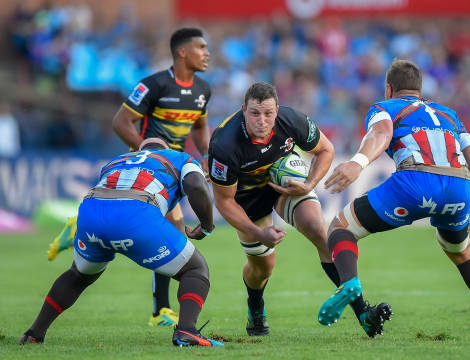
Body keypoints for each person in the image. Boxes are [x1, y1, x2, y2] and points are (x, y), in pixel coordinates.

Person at [318, 59, 470, 343]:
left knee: (340, 228)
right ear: (419, 89)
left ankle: (349, 283)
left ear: (389, 88)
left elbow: (381, 134)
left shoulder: (384, 108)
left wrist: (357, 162)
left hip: (415, 182)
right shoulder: (449, 114)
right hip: (458, 186)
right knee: (462, 250)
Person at [46, 27, 213, 327]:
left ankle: (78, 229)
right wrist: (149, 152)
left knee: (171, 231)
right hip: (151, 168)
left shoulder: (203, 89)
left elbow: (199, 126)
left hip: (178, 167)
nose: (207, 53)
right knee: (173, 227)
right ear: (182, 52)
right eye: (201, 47)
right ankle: (161, 309)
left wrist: (208, 155)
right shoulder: (154, 85)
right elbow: (120, 121)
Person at [208, 82, 390, 337]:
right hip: (246, 200)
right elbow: (224, 201)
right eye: (255, 113)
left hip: (284, 185)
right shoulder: (224, 144)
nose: (262, 120)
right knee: (262, 268)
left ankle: (364, 315)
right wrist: (258, 233)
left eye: (268, 113)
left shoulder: (291, 120)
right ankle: (255, 305)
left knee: (320, 231)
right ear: (243, 110)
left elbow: (326, 149)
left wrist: (309, 185)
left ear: (277, 110)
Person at [21, 138, 223, 347]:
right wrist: (207, 226)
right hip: (136, 213)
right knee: (195, 269)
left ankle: (34, 334)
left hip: (91, 213)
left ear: (138, 151)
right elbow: (195, 185)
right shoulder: (180, 158)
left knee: (78, 275)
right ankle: (186, 331)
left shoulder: (118, 160)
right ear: (166, 149)